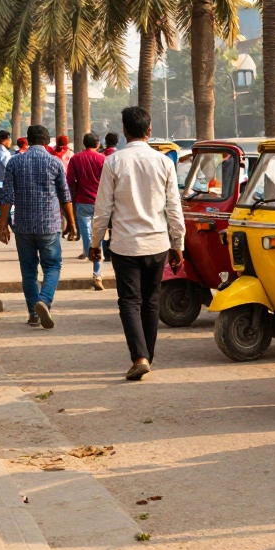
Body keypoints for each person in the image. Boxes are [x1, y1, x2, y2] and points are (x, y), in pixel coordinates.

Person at [89, 107, 184, 381]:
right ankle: (147, 357)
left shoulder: (114, 162)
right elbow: (174, 207)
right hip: (157, 244)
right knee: (151, 302)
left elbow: (103, 208)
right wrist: (178, 243)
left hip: (125, 245)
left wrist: (96, 241)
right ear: (149, 130)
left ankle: (140, 357)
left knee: (130, 301)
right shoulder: (164, 162)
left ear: (125, 131)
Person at [0, 124, 78, 328]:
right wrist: (72, 224)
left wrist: (3, 226)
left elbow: (7, 197)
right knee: (52, 266)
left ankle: (33, 313)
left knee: (29, 271)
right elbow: (65, 196)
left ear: (28, 140)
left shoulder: (15, 162)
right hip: (49, 225)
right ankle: (44, 300)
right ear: (47, 141)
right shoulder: (55, 162)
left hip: (22, 226)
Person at [67, 132, 106, 290]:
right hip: (100, 202)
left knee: (87, 234)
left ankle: (92, 258)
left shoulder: (76, 158)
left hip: (82, 201)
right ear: (97, 144)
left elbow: (70, 180)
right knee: (99, 235)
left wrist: (73, 197)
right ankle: (97, 272)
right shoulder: (103, 159)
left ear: (84, 143)